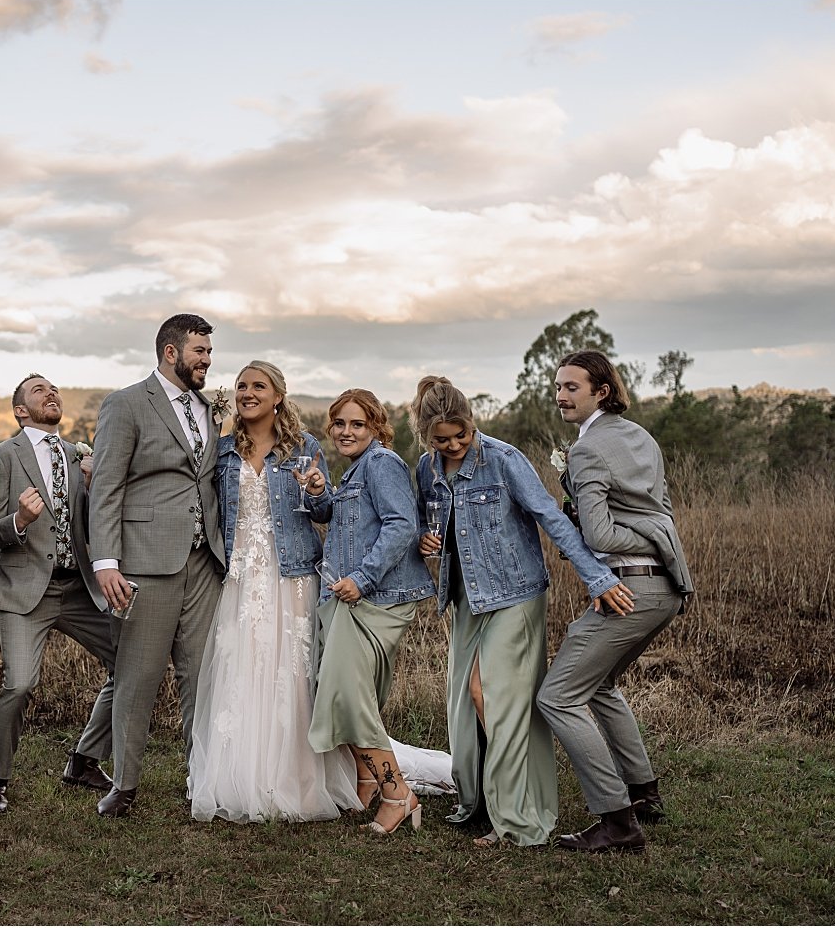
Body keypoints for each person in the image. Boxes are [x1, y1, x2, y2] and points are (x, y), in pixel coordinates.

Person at [410, 375, 632, 848]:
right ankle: (483, 801)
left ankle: (515, 818)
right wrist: (426, 542)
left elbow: (551, 519)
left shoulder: (504, 459)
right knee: (466, 704)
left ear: (472, 424)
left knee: (491, 696)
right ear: (426, 435)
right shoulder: (426, 468)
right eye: (441, 440)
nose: (453, 446)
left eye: (461, 435)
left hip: (515, 594)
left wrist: (596, 576)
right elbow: (430, 527)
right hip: (466, 597)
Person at [189, 361, 362, 823]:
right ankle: (238, 778)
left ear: (277, 396)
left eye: (258, 386)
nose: (248, 393)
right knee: (241, 670)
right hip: (241, 579)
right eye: (242, 386)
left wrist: (321, 488)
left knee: (294, 676)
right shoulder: (222, 451)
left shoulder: (303, 448)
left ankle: (298, 779)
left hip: (293, 575)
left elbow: (323, 512)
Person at [538, 350, 694, 854]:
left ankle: (618, 822)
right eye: (558, 387)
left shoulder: (588, 450)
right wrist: (656, 538)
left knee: (557, 697)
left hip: (629, 590)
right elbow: (662, 511)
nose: (561, 396)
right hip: (664, 590)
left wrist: (592, 527)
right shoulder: (641, 437)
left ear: (601, 391)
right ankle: (643, 792)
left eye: (572, 388)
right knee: (600, 685)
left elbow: (603, 530)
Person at [89, 313, 227, 818]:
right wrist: (106, 561)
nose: (207, 360)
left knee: (202, 677)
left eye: (209, 352)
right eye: (200, 352)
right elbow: (105, 486)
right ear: (171, 352)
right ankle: (124, 785)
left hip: (205, 563)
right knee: (137, 676)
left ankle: (201, 778)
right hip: (144, 565)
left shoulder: (210, 409)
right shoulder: (126, 405)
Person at [0, 374, 117, 813]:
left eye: (54, 388)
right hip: (24, 591)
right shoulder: (1, 458)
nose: (51, 393)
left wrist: (96, 485)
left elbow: (98, 521)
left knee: (132, 665)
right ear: (20, 410)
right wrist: (18, 520)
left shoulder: (80, 456)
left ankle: (84, 760)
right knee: (19, 685)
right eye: (39, 391)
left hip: (78, 588)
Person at [308, 389, 436, 835]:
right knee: (349, 690)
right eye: (339, 423)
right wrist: (322, 493)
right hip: (351, 598)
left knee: (348, 694)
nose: (346, 431)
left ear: (377, 427)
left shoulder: (382, 463)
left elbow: (403, 525)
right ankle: (366, 783)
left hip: (376, 598)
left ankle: (398, 793)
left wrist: (362, 577)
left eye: (357, 424)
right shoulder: (357, 469)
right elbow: (344, 521)